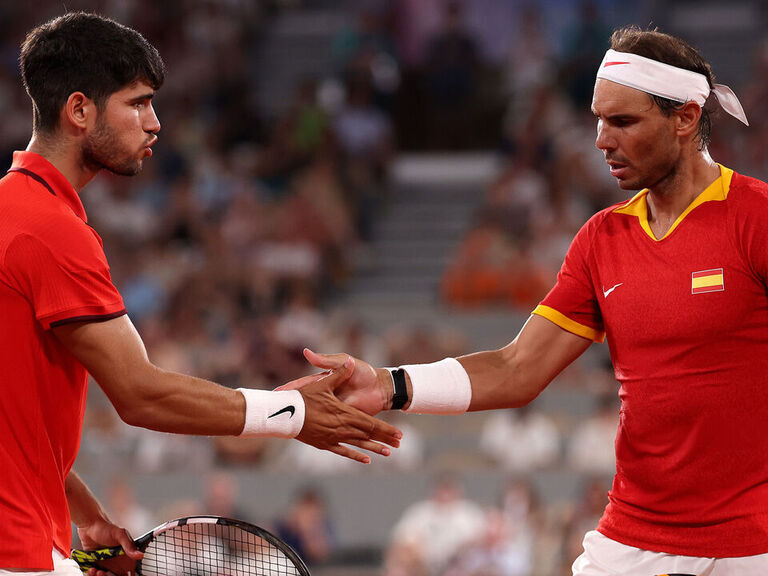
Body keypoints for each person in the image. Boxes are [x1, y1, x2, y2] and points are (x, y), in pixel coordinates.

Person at [291, 25, 768, 576]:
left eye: (623, 121)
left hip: (750, 547)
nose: (600, 139)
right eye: (598, 119)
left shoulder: (755, 219)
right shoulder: (600, 239)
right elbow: (519, 367)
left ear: (684, 119)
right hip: (630, 543)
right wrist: (390, 384)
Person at [0, 12, 401, 573]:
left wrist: (85, 513)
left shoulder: (11, 213)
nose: (155, 122)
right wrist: (288, 412)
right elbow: (141, 394)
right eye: (137, 103)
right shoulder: (50, 230)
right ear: (79, 111)